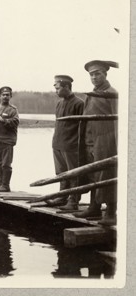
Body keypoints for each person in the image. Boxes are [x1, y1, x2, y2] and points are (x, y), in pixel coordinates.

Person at [74, 60, 118, 226]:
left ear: (105, 74)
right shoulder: (91, 95)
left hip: (106, 142)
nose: (94, 77)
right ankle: (94, 207)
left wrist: (117, 145)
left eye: (97, 73)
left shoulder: (112, 94)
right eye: (91, 74)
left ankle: (111, 212)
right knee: (92, 173)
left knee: (107, 174)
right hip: (90, 142)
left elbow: (118, 121)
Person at [48, 75, 84, 210]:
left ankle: (73, 201)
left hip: (71, 146)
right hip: (57, 144)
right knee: (61, 173)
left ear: (67, 87)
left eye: (57, 88)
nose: (55, 91)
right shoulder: (59, 103)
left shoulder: (79, 103)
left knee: (73, 173)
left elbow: (83, 127)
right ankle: (62, 197)